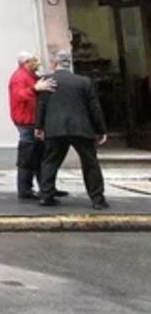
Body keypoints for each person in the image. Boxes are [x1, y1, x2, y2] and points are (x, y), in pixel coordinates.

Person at [35, 51, 110, 209]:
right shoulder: (84, 82)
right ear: (69, 64)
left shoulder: (47, 81)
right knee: (90, 163)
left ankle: (46, 195)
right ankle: (97, 199)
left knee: (50, 161)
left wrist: (39, 126)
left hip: (55, 128)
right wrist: (100, 129)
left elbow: (41, 106)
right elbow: (94, 107)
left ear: (54, 64)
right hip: (80, 127)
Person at [8, 51, 63, 200]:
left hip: (32, 120)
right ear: (26, 62)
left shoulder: (30, 76)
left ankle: (46, 187)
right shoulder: (20, 77)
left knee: (39, 154)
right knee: (28, 156)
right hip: (27, 121)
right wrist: (35, 89)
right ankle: (26, 189)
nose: (37, 63)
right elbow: (19, 95)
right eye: (34, 60)